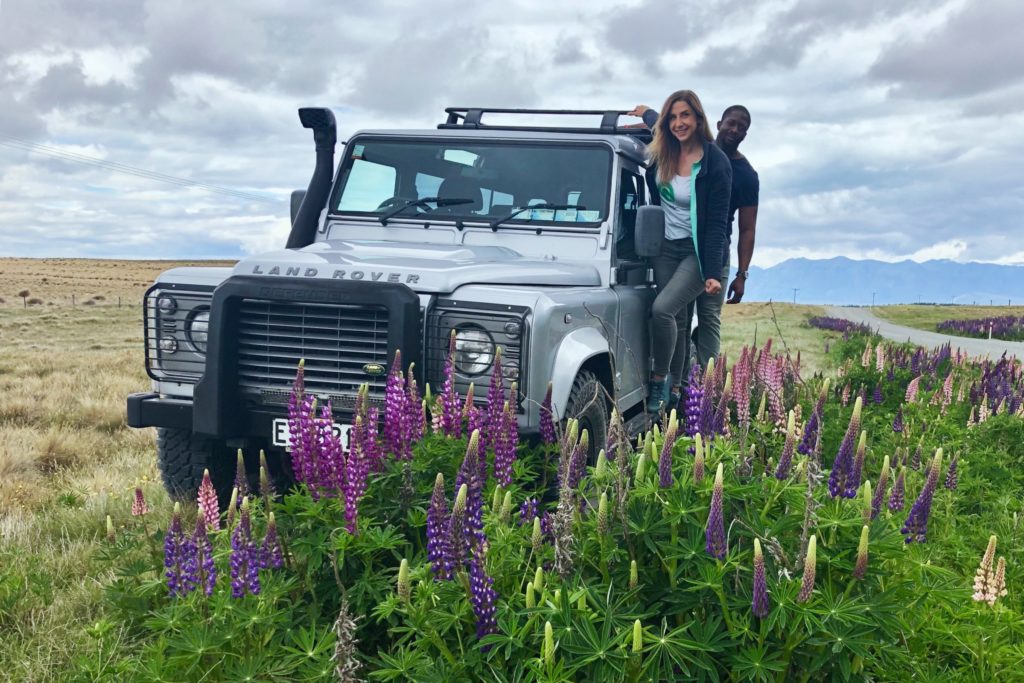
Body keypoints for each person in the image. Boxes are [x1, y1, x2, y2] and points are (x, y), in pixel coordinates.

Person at [627, 91, 732, 413]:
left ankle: (660, 379)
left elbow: (716, 223)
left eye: (685, 115)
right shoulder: (663, 151)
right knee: (680, 320)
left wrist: (713, 272)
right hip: (664, 247)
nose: (678, 123)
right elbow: (656, 124)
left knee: (662, 310)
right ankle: (678, 388)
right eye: (672, 117)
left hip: (698, 251)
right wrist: (647, 113)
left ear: (698, 119)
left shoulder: (715, 163)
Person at [683, 105, 760, 375]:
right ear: (718, 124)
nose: (735, 130)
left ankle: (707, 386)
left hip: (717, 253)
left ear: (745, 134)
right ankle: (676, 380)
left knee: (709, 318)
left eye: (741, 127)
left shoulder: (747, 176)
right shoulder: (694, 151)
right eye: (731, 123)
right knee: (679, 316)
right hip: (681, 247)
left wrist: (742, 274)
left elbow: (747, 228)